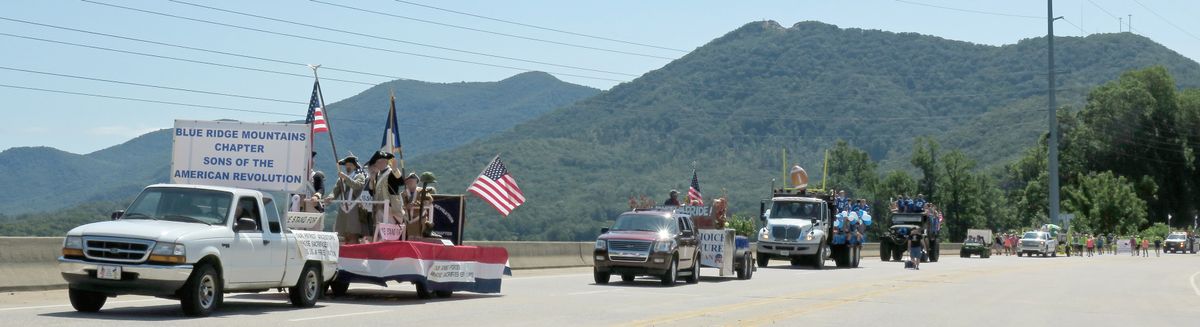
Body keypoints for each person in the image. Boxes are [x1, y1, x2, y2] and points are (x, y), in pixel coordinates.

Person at [366, 151, 410, 240]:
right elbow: (372, 193)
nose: (378, 164)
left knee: (390, 235)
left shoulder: (390, 173)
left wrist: (395, 170)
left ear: (385, 162)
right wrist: (371, 180)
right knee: (380, 234)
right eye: (377, 162)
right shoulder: (378, 175)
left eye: (380, 161)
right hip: (379, 209)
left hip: (391, 209)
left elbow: (400, 182)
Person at [327, 154, 368, 244]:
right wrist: (330, 197)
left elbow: (357, 185)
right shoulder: (341, 179)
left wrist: (345, 178)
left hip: (355, 207)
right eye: (346, 165)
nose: (348, 167)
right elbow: (335, 190)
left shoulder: (359, 176)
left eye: (350, 165)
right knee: (344, 234)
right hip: (343, 208)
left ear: (354, 166)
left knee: (353, 234)